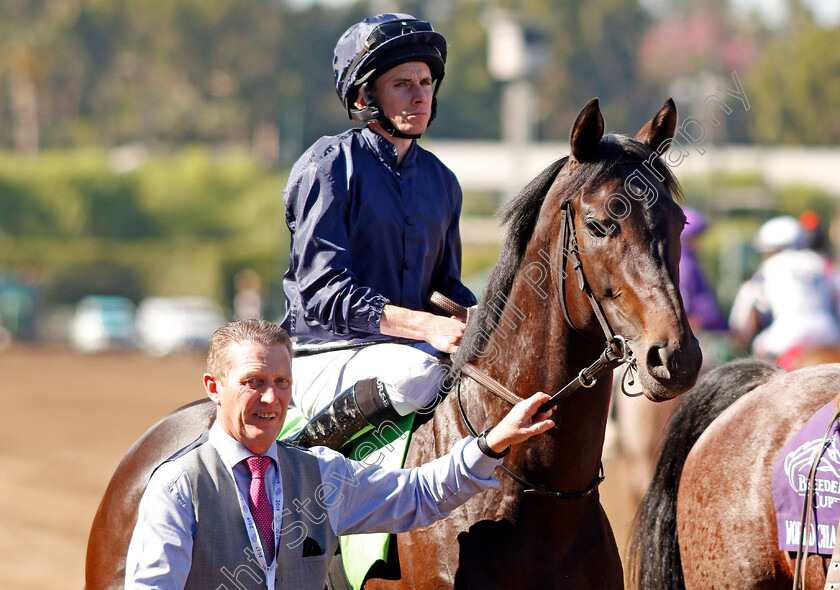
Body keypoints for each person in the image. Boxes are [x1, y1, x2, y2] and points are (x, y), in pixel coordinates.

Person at [125, 319, 554, 590]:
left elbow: (420, 494)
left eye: (281, 382)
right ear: (213, 387)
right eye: (253, 381)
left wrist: (493, 440)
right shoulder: (178, 485)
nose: (271, 398)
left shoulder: (322, 474)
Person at [280, 14, 477, 449]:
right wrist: (425, 327)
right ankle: (297, 464)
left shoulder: (443, 181)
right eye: (402, 84)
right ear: (366, 95)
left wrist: (477, 317)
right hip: (327, 353)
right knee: (419, 374)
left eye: (425, 82)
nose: (420, 95)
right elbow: (325, 293)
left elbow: (446, 288)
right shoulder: (329, 166)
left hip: (412, 351)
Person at [729, 215, 840, 368]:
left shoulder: (768, 267)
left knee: (756, 370)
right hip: (829, 332)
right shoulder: (823, 263)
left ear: (772, 248)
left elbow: (741, 318)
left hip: (785, 334)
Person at [678, 207, 727, 332]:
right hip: (701, 331)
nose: (698, 242)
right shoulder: (684, 264)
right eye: (695, 237)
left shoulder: (691, 260)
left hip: (710, 326)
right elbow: (684, 302)